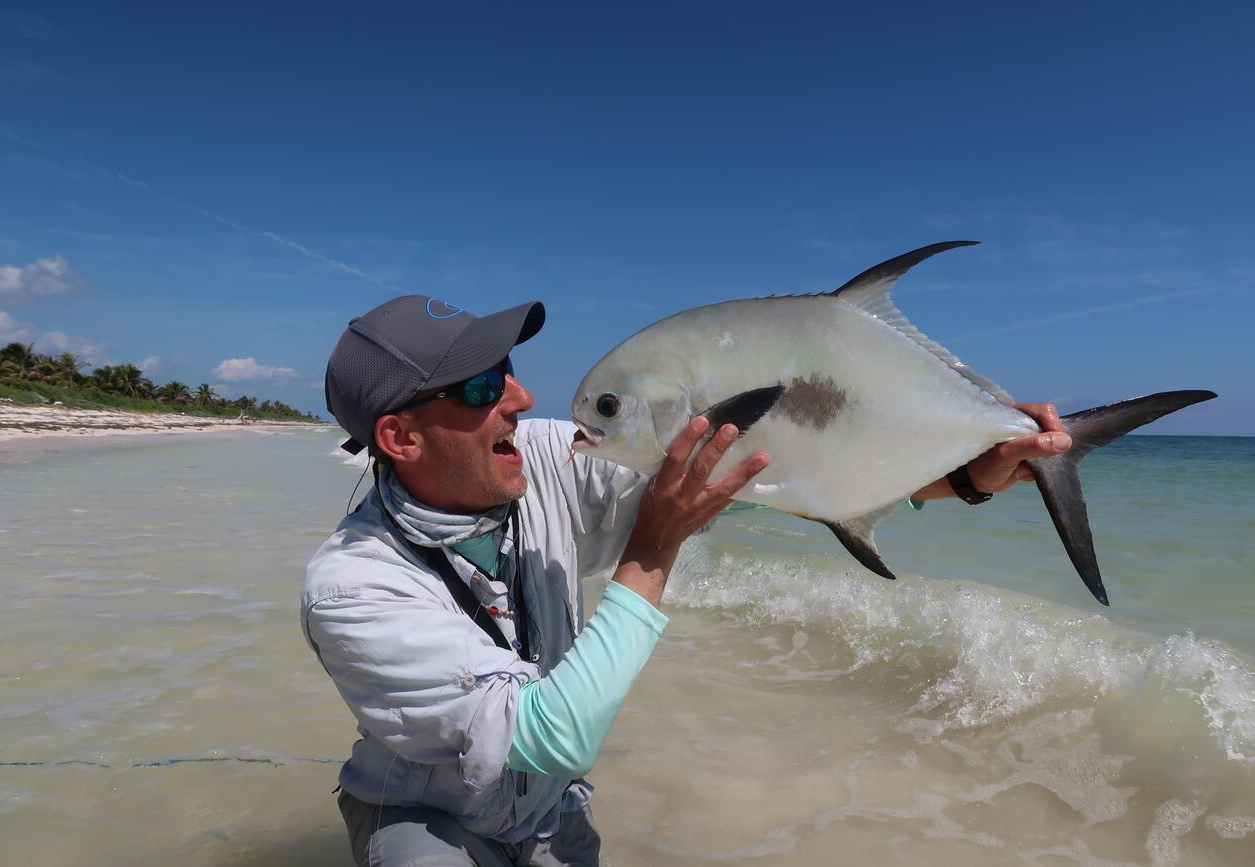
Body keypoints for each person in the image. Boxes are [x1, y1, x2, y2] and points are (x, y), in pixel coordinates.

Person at [303, 295, 1071, 867]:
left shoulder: (542, 457)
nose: (521, 397)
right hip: (429, 820)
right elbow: (552, 734)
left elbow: (756, 475)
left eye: (505, 371)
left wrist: (967, 476)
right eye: (478, 388)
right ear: (400, 436)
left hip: (545, 814)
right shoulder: (352, 587)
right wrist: (651, 550)